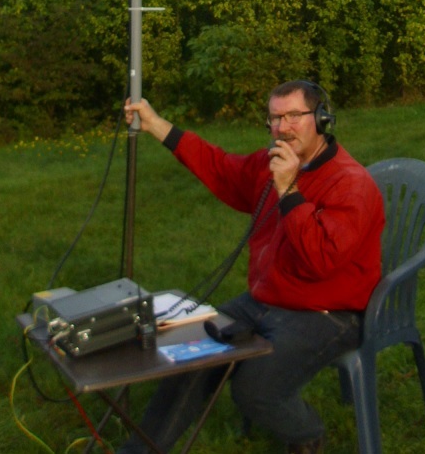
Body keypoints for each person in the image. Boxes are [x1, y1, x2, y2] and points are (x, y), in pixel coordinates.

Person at [119, 80, 385, 454]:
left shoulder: (350, 184)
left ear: (322, 119)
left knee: (254, 389)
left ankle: (307, 432)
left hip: (328, 311)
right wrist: (156, 124)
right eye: (275, 118)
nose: (283, 127)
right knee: (190, 355)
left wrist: (289, 191)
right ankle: (139, 450)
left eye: (294, 115)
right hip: (266, 298)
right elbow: (221, 168)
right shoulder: (271, 166)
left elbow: (321, 261)